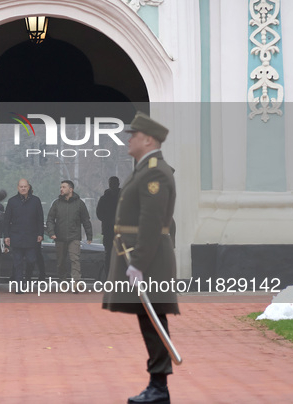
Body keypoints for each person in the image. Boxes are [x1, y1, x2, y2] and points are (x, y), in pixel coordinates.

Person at [102, 111, 178, 404]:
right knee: (149, 319)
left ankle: (159, 387)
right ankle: (157, 383)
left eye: (133, 135)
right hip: (140, 254)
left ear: (148, 140)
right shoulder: (144, 168)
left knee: (154, 319)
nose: (129, 140)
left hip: (150, 258)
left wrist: (138, 263)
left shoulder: (155, 171)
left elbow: (151, 220)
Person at [45, 180, 93, 283]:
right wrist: (51, 232)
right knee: (61, 262)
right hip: (59, 237)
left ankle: (76, 281)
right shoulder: (57, 204)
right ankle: (63, 281)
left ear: (71, 189)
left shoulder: (79, 204)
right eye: (60, 187)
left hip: (74, 237)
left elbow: (86, 220)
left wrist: (89, 235)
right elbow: (50, 219)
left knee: (75, 259)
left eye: (63, 187)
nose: (61, 189)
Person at [3, 179, 44, 285]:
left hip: (31, 237)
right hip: (16, 237)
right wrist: (6, 236)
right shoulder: (12, 201)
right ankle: (19, 286)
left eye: (25, 186)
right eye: (21, 186)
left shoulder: (36, 200)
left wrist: (40, 233)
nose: (23, 188)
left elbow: (40, 218)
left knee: (31, 260)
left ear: (28, 187)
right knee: (17, 263)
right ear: (18, 188)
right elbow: (7, 220)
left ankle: (28, 278)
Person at [96, 176, 121, 277]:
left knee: (121, 255)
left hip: (121, 230)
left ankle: (119, 278)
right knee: (108, 256)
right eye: (111, 183)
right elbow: (99, 214)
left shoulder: (123, 197)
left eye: (114, 183)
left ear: (118, 184)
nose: (113, 185)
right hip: (108, 231)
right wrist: (109, 220)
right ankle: (109, 277)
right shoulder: (104, 198)